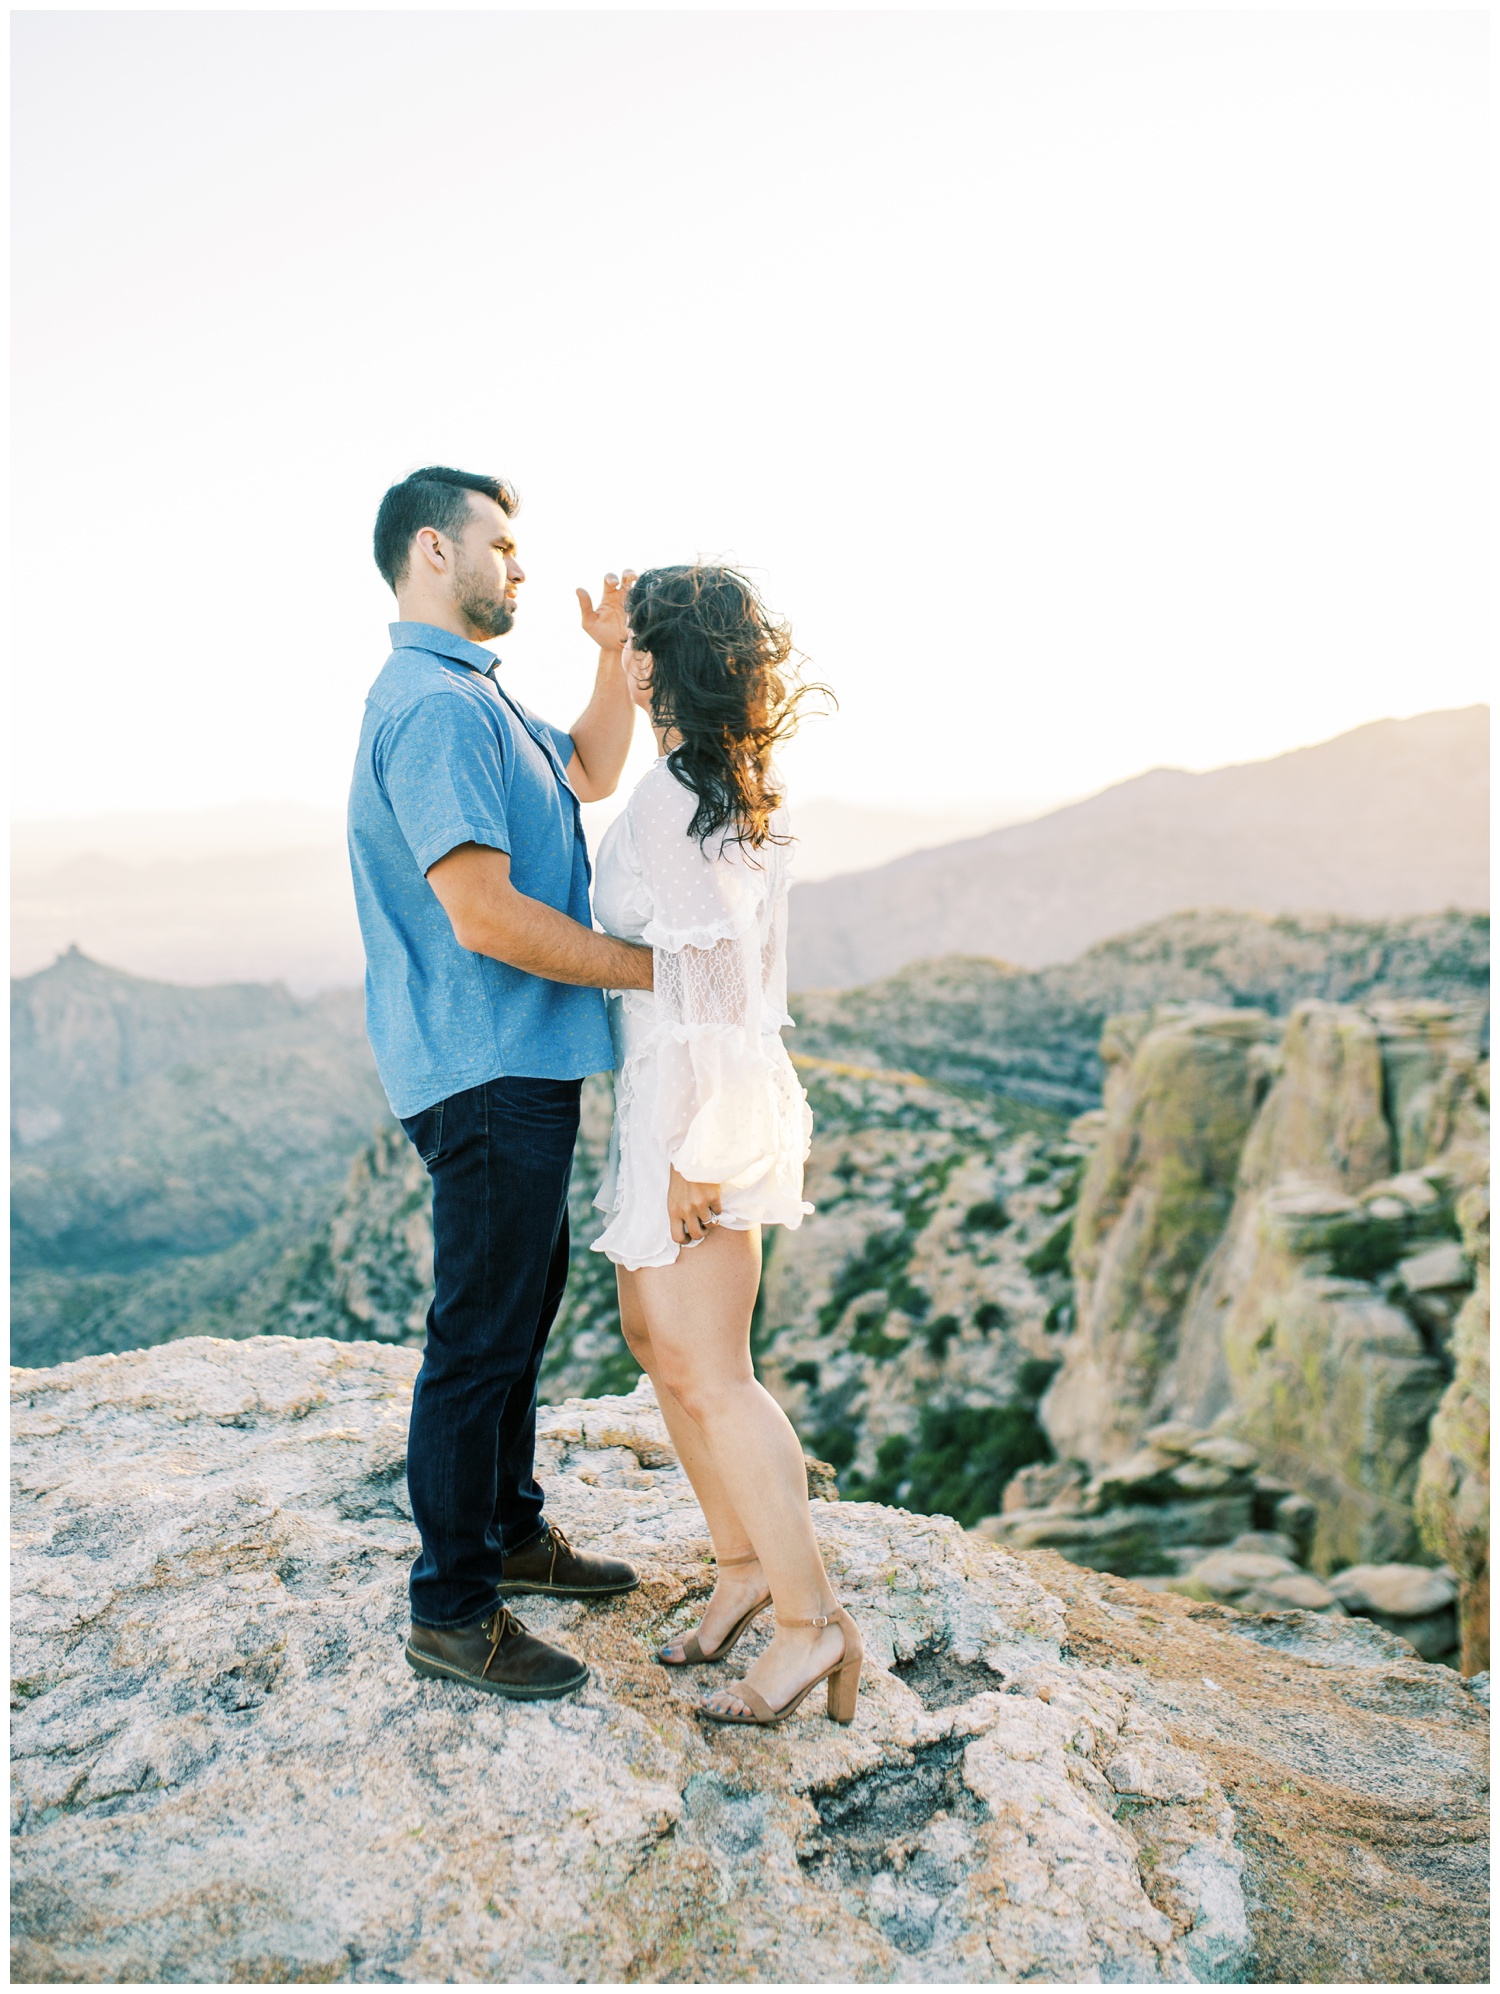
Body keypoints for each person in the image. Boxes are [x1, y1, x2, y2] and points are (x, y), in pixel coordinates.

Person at [349, 465, 649, 1701]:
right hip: (483, 1067)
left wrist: (614, 657)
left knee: (522, 1310)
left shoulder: (482, 696)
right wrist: (652, 971)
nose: (522, 566)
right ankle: (453, 1607)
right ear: (435, 549)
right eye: (504, 545)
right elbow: (480, 913)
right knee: (477, 1337)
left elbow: (589, 769)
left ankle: (512, 1530)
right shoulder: (429, 707)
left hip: (523, 1061)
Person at [591, 565, 863, 1728]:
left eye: (640, 641)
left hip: (693, 1106)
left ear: (667, 660)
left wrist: (695, 1150)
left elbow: (713, 986)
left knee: (712, 1367)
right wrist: (610, 646)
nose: (630, 655)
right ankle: (741, 1566)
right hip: (671, 1091)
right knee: (657, 1340)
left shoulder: (673, 799)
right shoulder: (713, 781)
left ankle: (811, 1625)